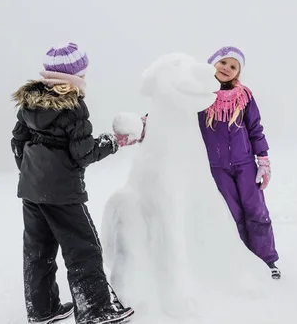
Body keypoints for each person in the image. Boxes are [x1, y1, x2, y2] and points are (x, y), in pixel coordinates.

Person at [115, 46, 281, 280]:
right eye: (223, 62)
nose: (226, 68)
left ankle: (267, 259)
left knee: (256, 210)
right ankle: (245, 262)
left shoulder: (244, 97)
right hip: (215, 167)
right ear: (211, 64)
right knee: (231, 214)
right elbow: (171, 112)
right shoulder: (200, 95)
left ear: (238, 73)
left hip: (245, 164)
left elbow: (255, 128)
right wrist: (141, 128)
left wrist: (263, 160)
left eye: (233, 66)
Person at [11, 43, 135, 324]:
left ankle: (42, 310)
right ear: (76, 75)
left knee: (38, 250)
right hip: (63, 193)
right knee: (83, 248)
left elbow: (17, 142)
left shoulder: (29, 101)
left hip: (31, 190)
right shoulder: (74, 108)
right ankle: (96, 311)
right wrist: (116, 142)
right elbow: (84, 153)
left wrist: (32, 172)